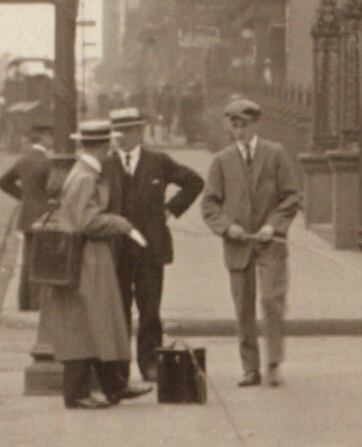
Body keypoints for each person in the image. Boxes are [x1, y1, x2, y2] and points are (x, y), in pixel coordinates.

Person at [36, 117, 144, 407]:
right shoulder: (86, 177)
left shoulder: (83, 172)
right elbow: (86, 221)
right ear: (104, 146)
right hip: (87, 256)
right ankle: (78, 393)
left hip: (88, 255)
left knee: (96, 321)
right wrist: (118, 223)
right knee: (86, 323)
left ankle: (114, 386)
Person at [197, 92, 301, 387]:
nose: (239, 131)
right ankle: (250, 368)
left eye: (244, 125)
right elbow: (209, 204)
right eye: (234, 125)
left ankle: (273, 363)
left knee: (271, 300)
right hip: (238, 244)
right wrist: (228, 227)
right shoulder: (221, 161)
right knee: (243, 307)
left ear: (256, 125)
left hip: (270, 243)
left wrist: (273, 226)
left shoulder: (275, 154)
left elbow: (291, 197)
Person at [102, 105, 204, 392]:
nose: (120, 138)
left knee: (149, 311)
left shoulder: (158, 161)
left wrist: (170, 210)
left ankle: (149, 364)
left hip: (150, 250)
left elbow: (194, 182)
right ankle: (120, 369)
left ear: (138, 132)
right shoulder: (106, 165)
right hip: (117, 250)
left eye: (125, 131)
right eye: (116, 132)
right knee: (118, 312)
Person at [0, 131, 66, 313]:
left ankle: (24, 303)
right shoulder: (47, 162)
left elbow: (3, 182)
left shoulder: (23, 160)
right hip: (43, 218)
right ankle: (36, 305)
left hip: (26, 217)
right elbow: (55, 189)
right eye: (50, 137)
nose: (52, 140)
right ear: (43, 138)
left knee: (28, 262)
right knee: (40, 263)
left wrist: (24, 197)